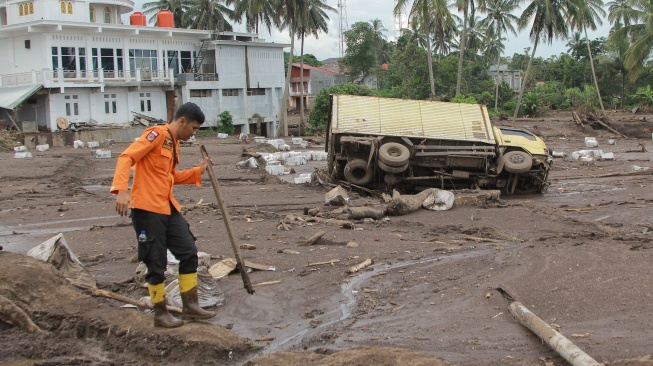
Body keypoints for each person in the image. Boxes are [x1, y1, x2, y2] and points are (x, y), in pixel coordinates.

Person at [110, 102, 215, 328]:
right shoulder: (156, 134)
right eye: (194, 128)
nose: (194, 134)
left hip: (168, 208)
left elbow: (170, 177)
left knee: (188, 252)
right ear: (182, 121)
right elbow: (126, 158)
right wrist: (121, 190)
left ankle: (190, 306)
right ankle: (160, 314)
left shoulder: (174, 144)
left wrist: (198, 171)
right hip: (147, 209)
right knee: (155, 262)